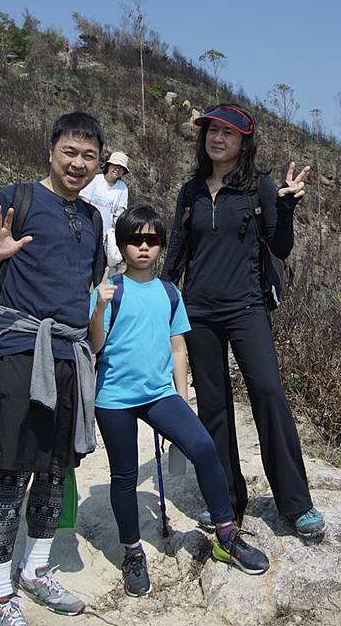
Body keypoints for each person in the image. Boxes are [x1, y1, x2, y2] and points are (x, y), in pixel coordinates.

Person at [161, 103, 325, 540]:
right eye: (212, 131)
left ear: (244, 142)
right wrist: (160, 298)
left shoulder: (259, 188)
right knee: (213, 406)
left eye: (228, 133)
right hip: (198, 311)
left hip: (246, 307)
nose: (218, 138)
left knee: (268, 393)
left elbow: (280, 248)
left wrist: (286, 209)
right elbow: (177, 250)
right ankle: (227, 500)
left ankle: (296, 503)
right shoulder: (191, 191)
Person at [0, 112, 107, 625]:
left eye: (89, 156)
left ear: (99, 163)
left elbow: (86, 291)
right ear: (51, 152)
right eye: (70, 152)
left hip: (70, 354)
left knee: (54, 469)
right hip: (22, 348)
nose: (78, 163)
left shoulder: (93, 219)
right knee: (13, 468)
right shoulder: (16, 198)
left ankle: (36, 569)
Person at [90, 205, 270, 597]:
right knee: (124, 476)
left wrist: (182, 397)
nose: (143, 247)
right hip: (114, 398)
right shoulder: (109, 291)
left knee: (204, 448)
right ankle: (132, 551)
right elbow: (96, 346)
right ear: (121, 244)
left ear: (161, 245)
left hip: (160, 395)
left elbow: (178, 349)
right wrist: (99, 307)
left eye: (152, 239)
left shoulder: (170, 293)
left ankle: (226, 534)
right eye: (134, 239)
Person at [80, 151, 131, 276]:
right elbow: (84, 203)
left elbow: (120, 214)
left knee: (100, 270)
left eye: (121, 168)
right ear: (108, 166)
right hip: (88, 231)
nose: (117, 170)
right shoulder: (95, 180)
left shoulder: (122, 188)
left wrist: (115, 234)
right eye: (115, 166)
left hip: (106, 237)